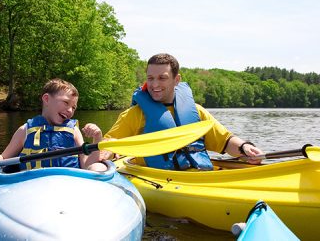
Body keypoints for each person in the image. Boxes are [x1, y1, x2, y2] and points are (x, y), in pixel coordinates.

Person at [103, 53, 263, 170]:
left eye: (162, 78)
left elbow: (225, 141)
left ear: (176, 80)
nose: (154, 84)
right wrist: (105, 153)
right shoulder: (135, 115)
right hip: (158, 179)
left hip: (199, 176)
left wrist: (244, 147)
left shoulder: (197, 112)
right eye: (150, 78)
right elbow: (108, 145)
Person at [0, 78, 106, 172]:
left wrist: (97, 138)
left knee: (98, 167)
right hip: (34, 185)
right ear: (46, 99)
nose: (70, 110)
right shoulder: (25, 130)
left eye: (74, 107)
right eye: (66, 103)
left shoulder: (73, 131)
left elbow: (86, 165)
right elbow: (2, 160)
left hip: (68, 183)